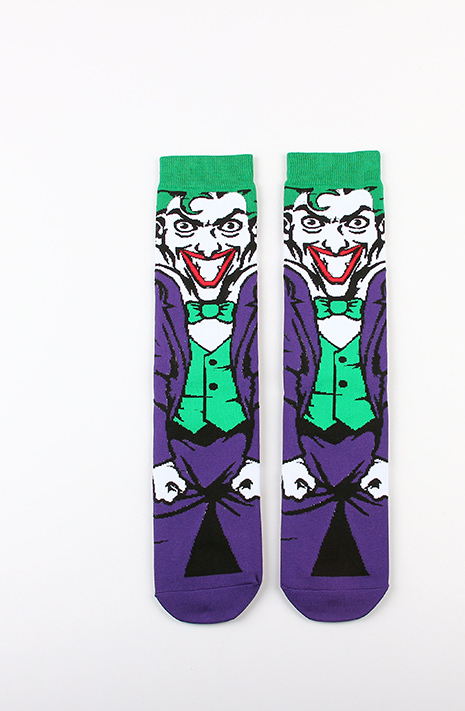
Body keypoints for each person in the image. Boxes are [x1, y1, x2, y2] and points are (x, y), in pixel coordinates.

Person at [153, 189, 259, 577]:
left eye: (228, 227)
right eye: (186, 227)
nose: (208, 247)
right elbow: (161, 387)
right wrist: (162, 462)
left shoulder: (253, 298)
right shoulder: (165, 299)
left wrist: (254, 459)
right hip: (179, 446)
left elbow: (260, 384)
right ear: (162, 231)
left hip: (239, 444)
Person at [282, 186, 388, 576]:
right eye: (313, 223)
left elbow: (382, 383)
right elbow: (285, 388)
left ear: (378, 228)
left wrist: (381, 459)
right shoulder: (291, 295)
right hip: (307, 443)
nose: (335, 243)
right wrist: (290, 456)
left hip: (366, 443)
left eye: (356, 223)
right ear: (289, 228)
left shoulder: (377, 297)